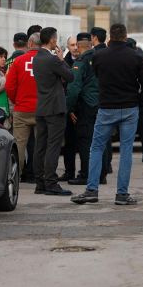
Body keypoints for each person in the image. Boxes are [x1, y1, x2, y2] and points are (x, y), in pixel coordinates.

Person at [71, 24, 143, 206]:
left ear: (110, 37)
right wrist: (139, 102)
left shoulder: (99, 56)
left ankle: (92, 190)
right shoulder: (136, 56)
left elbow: (99, 77)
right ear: (125, 36)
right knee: (126, 151)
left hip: (106, 107)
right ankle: (121, 194)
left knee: (97, 148)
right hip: (130, 107)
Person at [32, 27, 74, 196]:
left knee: (40, 146)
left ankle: (40, 183)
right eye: (56, 38)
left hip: (41, 107)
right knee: (53, 146)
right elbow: (70, 76)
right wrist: (62, 59)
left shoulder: (36, 58)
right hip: (55, 108)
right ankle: (51, 182)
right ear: (52, 40)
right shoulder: (52, 59)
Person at [5, 32, 40, 180]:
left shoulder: (18, 61)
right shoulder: (48, 60)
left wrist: (16, 100)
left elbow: (9, 86)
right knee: (41, 145)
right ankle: (40, 175)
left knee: (19, 145)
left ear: (29, 44)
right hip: (41, 109)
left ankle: (15, 175)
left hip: (22, 109)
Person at [66, 33, 99, 185]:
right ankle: (101, 173)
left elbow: (74, 87)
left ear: (79, 47)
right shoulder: (100, 58)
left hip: (85, 106)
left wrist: (70, 108)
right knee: (99, 140)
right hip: (100, 104)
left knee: (85, 141)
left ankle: (85, 174)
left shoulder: (80, 62)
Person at [91, 27, 114, 176]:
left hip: (97, 100)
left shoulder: (94, 55)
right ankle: (108, 165)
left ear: (94, 38)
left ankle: (101, 170)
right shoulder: (110, 53)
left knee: (98, 140)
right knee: (108, 137)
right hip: (110, 98)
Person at [59, 35, 81, 181]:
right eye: (72, 45)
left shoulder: (86, 61)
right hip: (68, 108)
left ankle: (87, 172)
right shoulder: (63, 62)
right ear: (68, 47)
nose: (75, 48)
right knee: (69, 144)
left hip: (83, 108)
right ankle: (69, 171)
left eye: (76, 45)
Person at [128, 37, 143, 165]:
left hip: (125, 101)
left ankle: (126, 156)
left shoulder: (120, 60)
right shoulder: (139, 59)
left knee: (125, 130)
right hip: (138, 100)